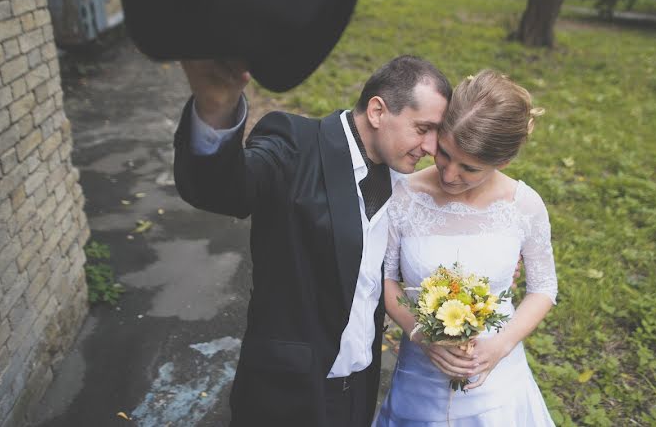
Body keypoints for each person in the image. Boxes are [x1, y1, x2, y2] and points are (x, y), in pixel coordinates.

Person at [173, 55, 452, 427]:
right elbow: (224, 191)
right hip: (284, 396)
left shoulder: (402, 181)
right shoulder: (293, 144)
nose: (431, 147)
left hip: (359, 391)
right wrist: (215, 110)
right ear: (377, 111)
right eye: (423, 129)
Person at [374, 70, 558, 426]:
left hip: (496, 381)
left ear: (501, 163)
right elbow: (384, 280)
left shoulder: (524, 206)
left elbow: (543, 288)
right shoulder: (404, 196)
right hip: (420, 381)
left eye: (469, 168)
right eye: (444, 153)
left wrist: (501, 346)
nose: (448, 174)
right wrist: (420, 334)